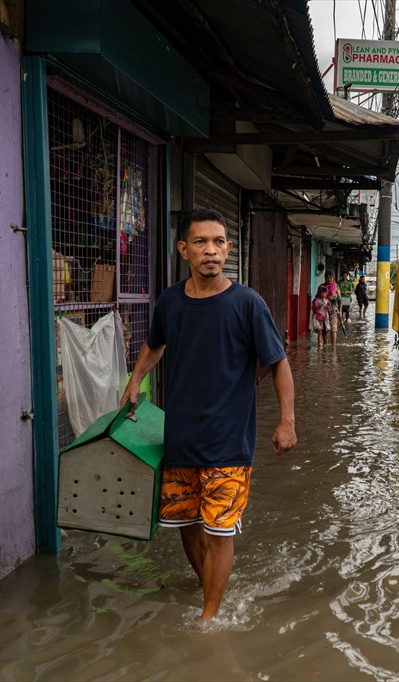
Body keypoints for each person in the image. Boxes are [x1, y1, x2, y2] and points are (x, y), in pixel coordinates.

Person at [119, 208, 297, 622]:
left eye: (218, 242)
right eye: (200, 242)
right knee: (187, 527)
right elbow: (154, 344)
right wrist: (134, 380)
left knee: (218, 534)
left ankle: (209, 617)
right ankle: (211, 591)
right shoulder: (170, 301)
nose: (211, 251)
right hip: (179, 440)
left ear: (229, 249)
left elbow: (279, 362)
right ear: (184, 250)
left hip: (229, 443)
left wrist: (287, 421)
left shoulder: (247, 304)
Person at [324, 271, 339, 348]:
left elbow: (339, 300)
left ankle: (333, 347)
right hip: (323, 311)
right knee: (324, 329)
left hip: (333, 310)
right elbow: (317, 298)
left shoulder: (336, 286)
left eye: (331, 278)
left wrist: (340, 309)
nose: (329, 279)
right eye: (327, 278)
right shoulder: (322, 287)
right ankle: (325, 346)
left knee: (333, 329)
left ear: (333, 278)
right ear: (325, 278)